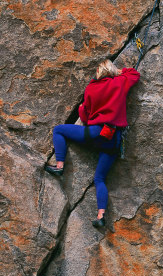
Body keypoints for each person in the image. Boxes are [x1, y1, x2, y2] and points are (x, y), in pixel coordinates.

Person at [44, 59, 140, 227]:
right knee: (100, 178)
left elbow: (86, 118)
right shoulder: (120, 82)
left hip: (94, 134)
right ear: (111, 71)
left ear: (98, 72)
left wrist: (82, 108)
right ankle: (101, 215)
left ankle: (60, 165)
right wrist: (119, 72)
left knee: (59, 130)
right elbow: (134, 74)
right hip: (113, 139)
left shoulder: (91, 88)